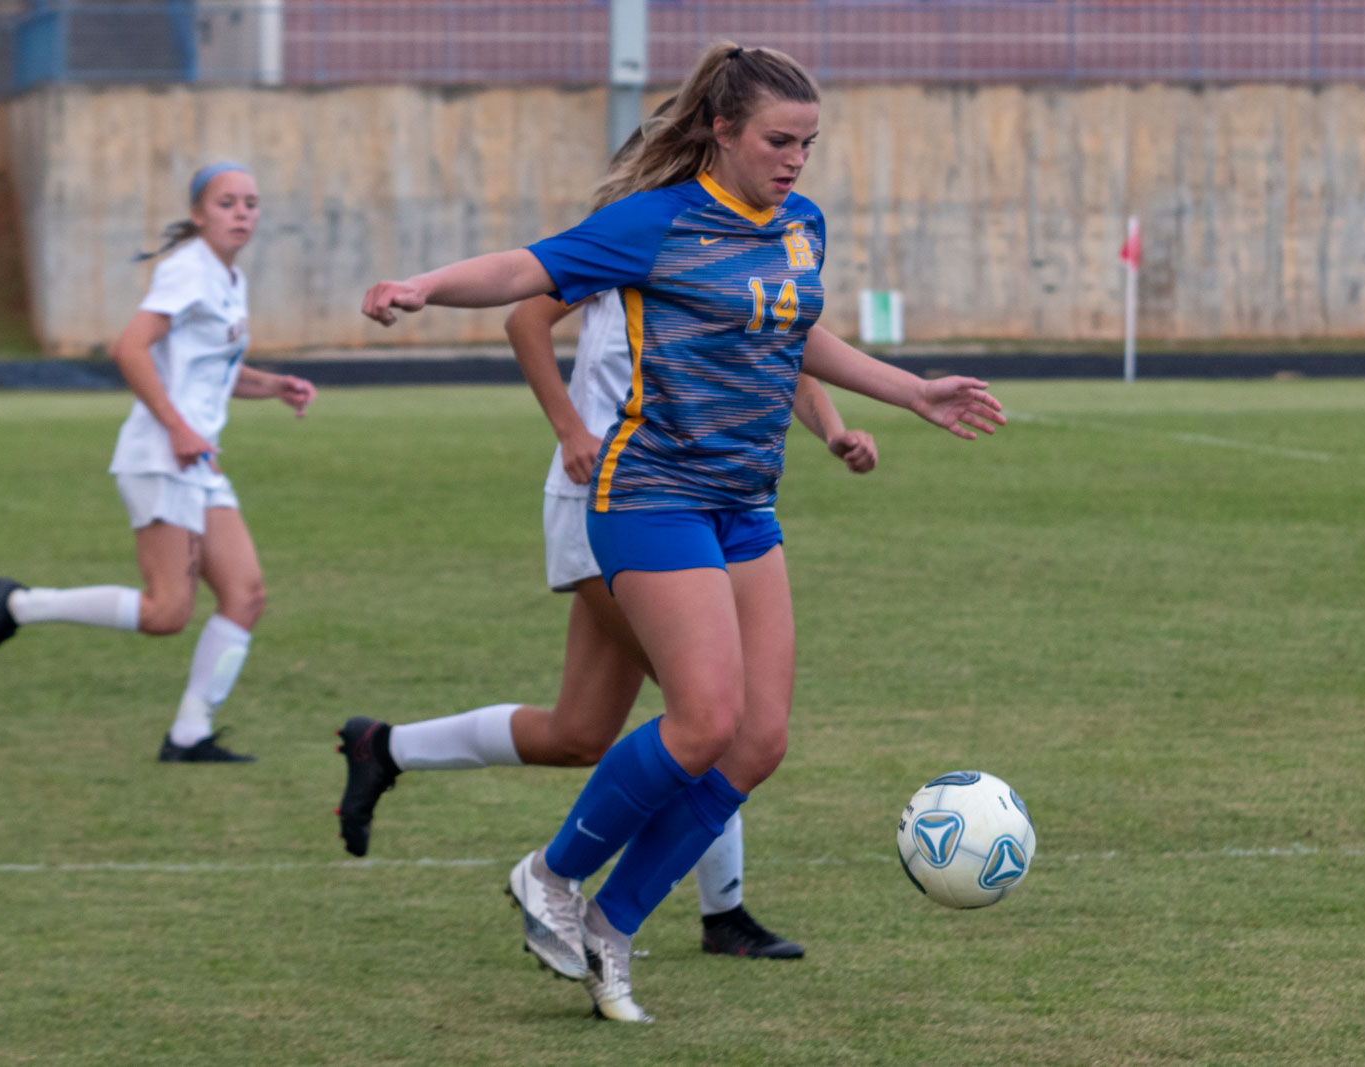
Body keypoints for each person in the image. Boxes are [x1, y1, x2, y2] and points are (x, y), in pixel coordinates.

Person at [359, 42, 1004, 1022]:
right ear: (722, 129)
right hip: (649, 495)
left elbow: (795, 329)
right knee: (701, 720)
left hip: (745, 504)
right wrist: (422, 284)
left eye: (808, 143)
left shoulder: (801, 225)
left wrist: (910, 390)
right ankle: (551, 874)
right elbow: (525, 271)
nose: (795, 159)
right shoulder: (655, 221)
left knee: (757, 740)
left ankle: (612, 926)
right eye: (778, 141)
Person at [334, 281, 877, 959]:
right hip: (612, 503)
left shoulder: (732, 251)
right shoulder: (635, 240)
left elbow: (776, 347)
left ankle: (383, 747)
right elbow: (526, 318)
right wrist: (569, 428)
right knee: (713, 712)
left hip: (677, 511)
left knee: (580, 731)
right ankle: (718, 912)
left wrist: (834, 430)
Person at [0, 162, 317, 765]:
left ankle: (189, 735)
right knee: (166, 612)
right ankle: (20, 605)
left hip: (198, 460)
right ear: (198, 213)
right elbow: (130, 348)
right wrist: (178, 428)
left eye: (251, 203)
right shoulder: (188, 269)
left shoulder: (228, 277)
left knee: (246, 595)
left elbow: (209, 369)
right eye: (227, 203)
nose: (242, 213)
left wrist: (274, 385)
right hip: (161, 457)